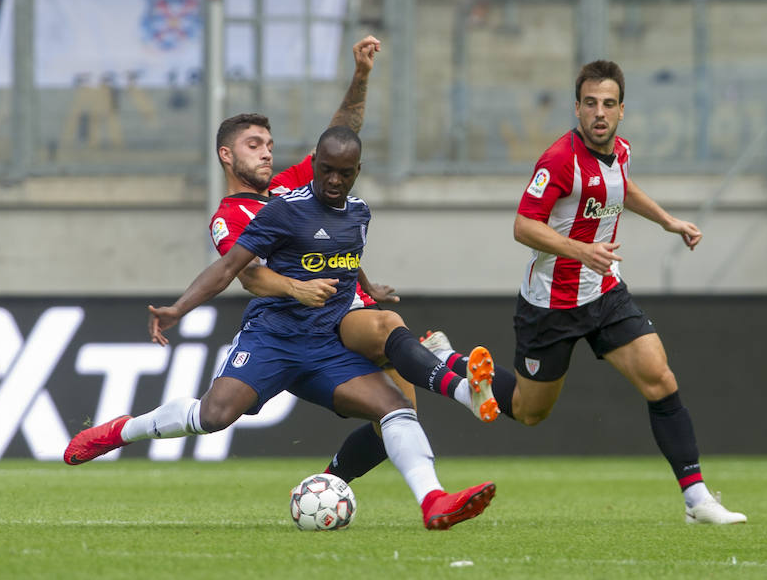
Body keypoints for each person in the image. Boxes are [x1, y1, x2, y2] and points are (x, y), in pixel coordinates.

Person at [64, 126, 496, 530]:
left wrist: (366, 285)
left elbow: (341, 255)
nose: (333, 180)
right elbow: (232, 268)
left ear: (357, 173)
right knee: (212, 416)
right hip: (273, 338)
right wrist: (178, 309)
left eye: (343, 173)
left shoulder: (360, 214)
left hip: (327, 347)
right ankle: (122, 431)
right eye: (325, 170)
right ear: (315, 166)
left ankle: (433, 501)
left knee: (396, 408)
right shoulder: (284, 210)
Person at [415, 60, 746, 525]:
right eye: (590, 103)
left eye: (608, 104)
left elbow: (620, 189)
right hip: (550, 306)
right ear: (577, 107)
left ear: (622, 111)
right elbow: (522, 225)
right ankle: (452, 364)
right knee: (531, 413)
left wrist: (668, 221)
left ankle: (697, 499)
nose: (599, 113)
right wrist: (579, 250)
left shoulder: (621, 152)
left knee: (661, 380)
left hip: (605, 294)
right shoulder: (558, 160)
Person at [205, 36, 497, 484]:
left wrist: (361, 75)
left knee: (398, 422)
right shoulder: (229, 218)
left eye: (268, 144)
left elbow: (340, 137)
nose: (266, 152)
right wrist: (299, 289)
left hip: (347, 306)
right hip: (305, 325)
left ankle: (332, 483)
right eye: (253, 145)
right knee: (391, 375)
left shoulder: (290, 187)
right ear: (227, 155)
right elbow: (252, 276)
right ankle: (448, 371)